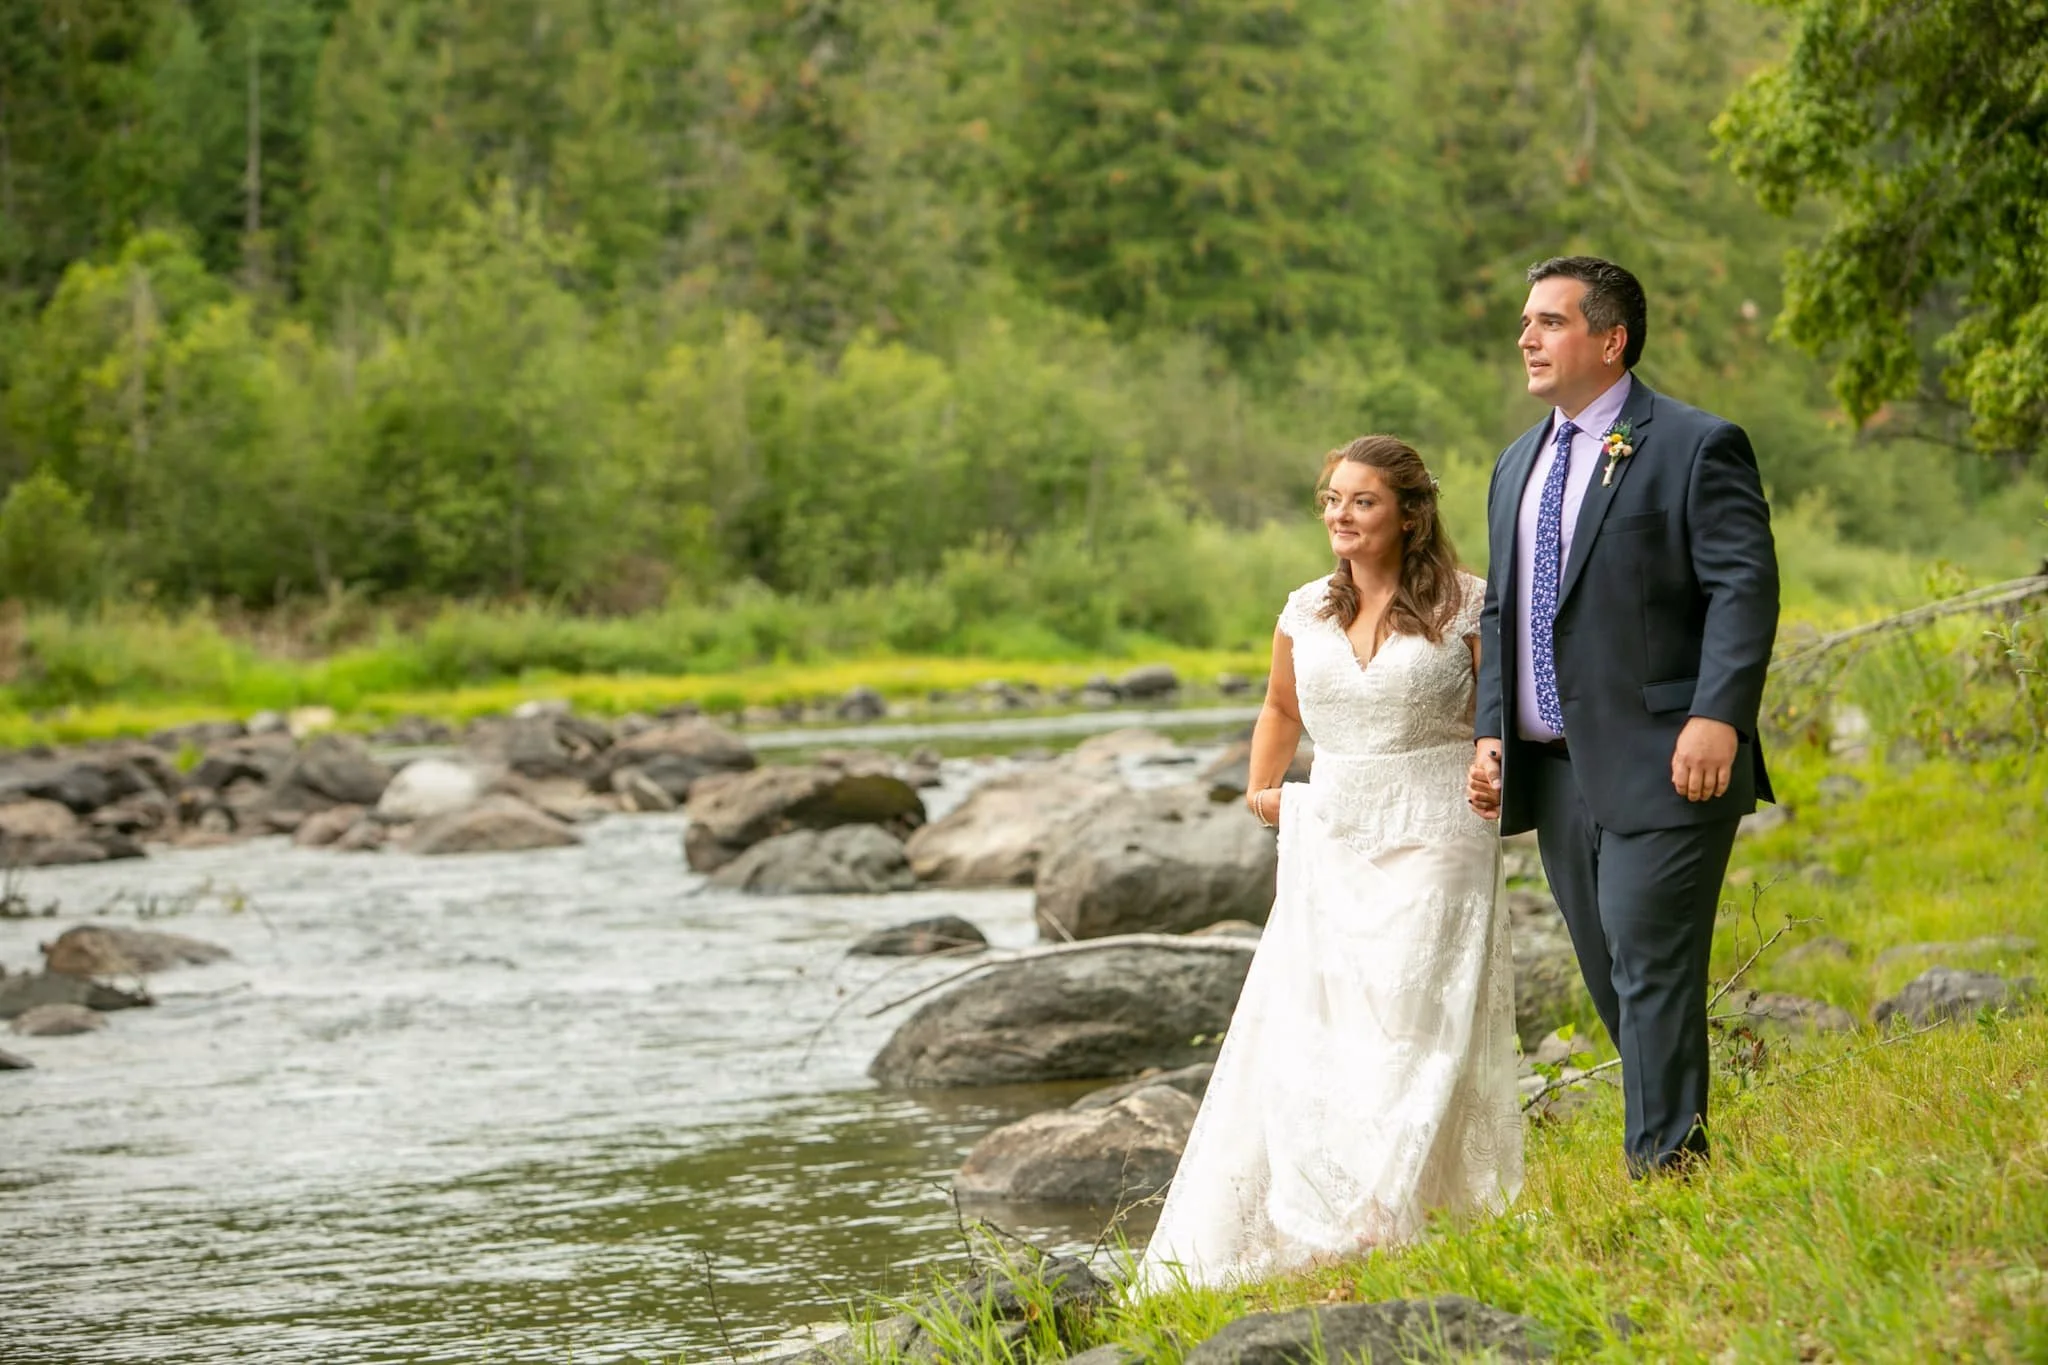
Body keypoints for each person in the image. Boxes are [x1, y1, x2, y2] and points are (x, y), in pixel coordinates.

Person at [1137, 435, 1523, 1291]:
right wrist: (1262, 784)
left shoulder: (1468, 604)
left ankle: (1382, 1213)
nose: (1339, 517)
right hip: (1335, 831)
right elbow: (1280, 705)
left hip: (1439, 825)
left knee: (1419, 1020)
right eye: (1331, 501)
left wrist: (1491, 758)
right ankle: (1345, 1207)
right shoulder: (1305, 607)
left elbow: (1502, 709)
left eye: (1362, 502)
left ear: (1411, 514)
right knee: (1338, 1026)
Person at [1467, 256, 1779, 1177]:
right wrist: (1492, 728)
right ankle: (1675, 1145)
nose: (1526, 337)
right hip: (1554, 768)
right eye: (1526, 320)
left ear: (1611, 340)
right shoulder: (1515, 461)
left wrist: (1719, 713)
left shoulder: (1695, 443)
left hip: (1670, 756)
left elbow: (1743, 587)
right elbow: (1502, 611)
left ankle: (1667, 1172)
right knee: (1612, 973)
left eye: (1550, 321)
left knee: (1650, 965)